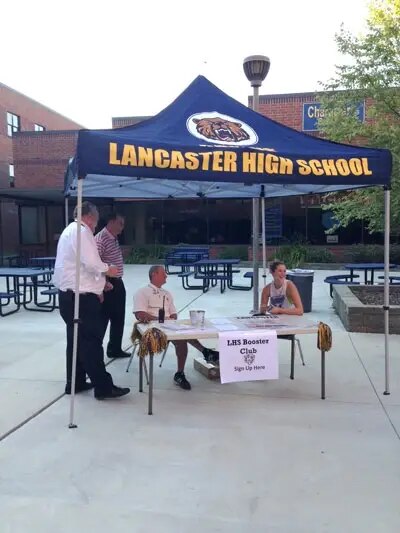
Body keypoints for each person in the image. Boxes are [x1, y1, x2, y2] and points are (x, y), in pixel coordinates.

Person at [53, 201, 130, 400]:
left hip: (69, 295)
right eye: (95, 221)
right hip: (81, 299)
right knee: (91, 342)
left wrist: (100, 283)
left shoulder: (70, 231)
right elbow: (92, 262)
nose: (96, 225)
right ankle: (103, 386)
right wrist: (108, 270)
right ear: (89, 217)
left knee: (76, 341)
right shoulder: (82, 231)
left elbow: (80, 267)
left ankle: (76, 381)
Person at [133, 265, 219, 390]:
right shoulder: (142, 292)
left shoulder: (167, 293)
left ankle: (180, 373)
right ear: (154, 275)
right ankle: (205, 352)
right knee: (181, 337)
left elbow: (173, 314)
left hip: (170, 326)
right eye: (163, 273)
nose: (166, 276)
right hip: (152, 328)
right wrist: (159, 320)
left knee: (185, 333)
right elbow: (139, 314)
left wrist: (171, 320)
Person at [95, 212, 130, 359]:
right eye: (120, 223)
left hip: (118, 281)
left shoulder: (113, 238)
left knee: (118, 317)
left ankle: (114, 348)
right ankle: (96, 351)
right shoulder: (101, 239)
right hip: (108, 284)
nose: (122, 227)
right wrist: (104, 283)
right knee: (103, 318)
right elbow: (95, 264)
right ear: (111, 222)